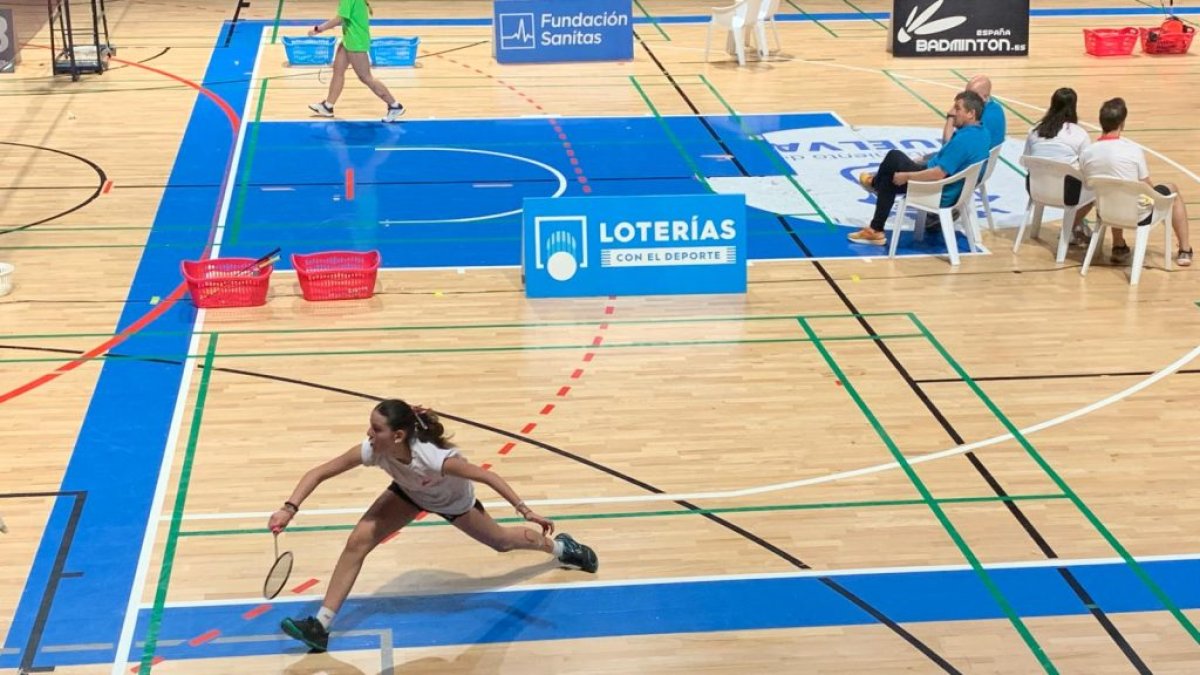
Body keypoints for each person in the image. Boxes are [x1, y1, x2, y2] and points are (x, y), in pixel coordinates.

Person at [272, 399, 599, 652]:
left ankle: (561, 547)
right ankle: (321, 626)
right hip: (409, 493)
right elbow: (319, 472)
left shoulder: (433, 457)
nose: (369, 434)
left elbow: (487, 475)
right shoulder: (374, 450)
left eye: (376, 428)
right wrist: (289, 508)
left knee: (501, 542)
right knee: (358, 542)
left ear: (398, 435)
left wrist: (525, 510)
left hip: (454, 504)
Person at [849, 90, 992, 246]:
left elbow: (938, 174)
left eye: (957, 109)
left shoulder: (964, 140)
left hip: (939, 191)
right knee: (889, 179)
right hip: (957, 190)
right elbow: (948, 150)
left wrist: (907, 176)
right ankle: (875, 225)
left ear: (971, 113)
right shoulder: (983, 133)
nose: (952, 112)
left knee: (894, 158)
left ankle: (875, 191)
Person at [1079, 97, 1192, 267]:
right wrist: (1160, 201)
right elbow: (1147, 188)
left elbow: (1088, 182)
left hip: (1106, 210)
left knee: (1113, 190)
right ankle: (1185, 249)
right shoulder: (1132, 150)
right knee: (1171, 190)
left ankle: (1118, 246)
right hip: (1137, 214)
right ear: (1122, 123)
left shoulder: (1087, 152)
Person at [308, 0, 405, 123]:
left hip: (356, 43)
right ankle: (328, 106)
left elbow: (340, 19)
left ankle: (394, 105)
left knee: (365, 77)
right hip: (349, 39)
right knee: (338, 71)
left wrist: (318, 29)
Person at [1022, 87, 1094, 245]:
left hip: (1035, 190)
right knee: (1095, 190)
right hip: (1067, 194)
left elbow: (1026, 161)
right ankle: (1071, 226)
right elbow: (1087, 166)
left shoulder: (1034, 131)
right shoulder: (1079, 134)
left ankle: (1074, 226)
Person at [948, 74, 1006, 150]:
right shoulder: (997, 109)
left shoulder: (978, 120)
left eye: (972, 96)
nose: (966, 99)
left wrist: (951, 116)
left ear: (985, 97)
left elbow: (947, 147)